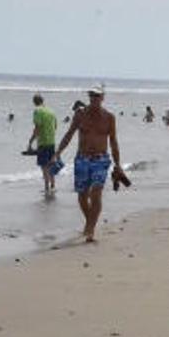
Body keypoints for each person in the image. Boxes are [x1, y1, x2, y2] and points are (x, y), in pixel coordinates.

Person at [54, 86, 123, 242]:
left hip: (101, 160)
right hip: (82, 159)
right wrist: (58, 152)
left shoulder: (109, 117)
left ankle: (90, 230)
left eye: (97, 95)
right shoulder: (80, 115)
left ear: (103, 97)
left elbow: (113, 141)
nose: (94, 98)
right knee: (82, 196)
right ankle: (89, 222)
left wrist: (118, 164)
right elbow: (69, 134)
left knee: (96, 193)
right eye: (91, 95)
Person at [25, 94, 57, 195]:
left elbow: (37, 128)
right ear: (43, 100)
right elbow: (55, 126)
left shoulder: (37, 111)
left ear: (34, 102)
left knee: (44, 166)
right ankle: (53, 185)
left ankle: (47, 188)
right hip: (52, 141)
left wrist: (31, 141)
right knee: (50, 165)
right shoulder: (51, 111)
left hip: (43, 142)